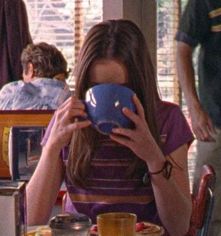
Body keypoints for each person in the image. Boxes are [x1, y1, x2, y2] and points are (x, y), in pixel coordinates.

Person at [26, 19, 194, 236]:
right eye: (95, 88)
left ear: (140, 83)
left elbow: (179, 227)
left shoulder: (167, 121)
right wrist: (51, 148)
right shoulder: (69, 122)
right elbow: (29, 220)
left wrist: (154, 158)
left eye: (122, 89)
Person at [175, 1, 221, 235]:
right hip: (219, 124)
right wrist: (194, 107)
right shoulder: (205, 2)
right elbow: (182, 49)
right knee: (209, 220)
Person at [0, 42, 71, 110]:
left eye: (23, 72)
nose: (22, 77)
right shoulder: (71, 102)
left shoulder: (11, 92)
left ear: (30, 68)